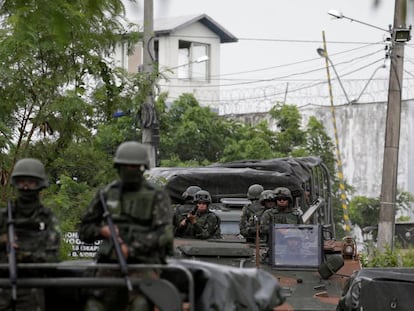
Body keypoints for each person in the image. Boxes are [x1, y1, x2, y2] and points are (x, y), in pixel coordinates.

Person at [78, 141, 174, 311]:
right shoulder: (106, 194)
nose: (130, 170)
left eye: (134, 166)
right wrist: (102, 231)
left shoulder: (156, 195)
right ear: (118, 167)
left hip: (143, 264)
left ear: (142, 168)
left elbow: (164, 234)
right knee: (94, 306)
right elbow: (84, 230)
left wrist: (132, 249)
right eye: (126, 166)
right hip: (109, 265)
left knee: (141, 305)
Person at [0, 158, 60, 311]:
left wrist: (25, 256)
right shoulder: (4, 216)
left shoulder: (47, 218)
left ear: (39, 185)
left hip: (32, 287)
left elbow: (53, 259)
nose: (25, 187)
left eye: (31, 182)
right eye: (21, 182)